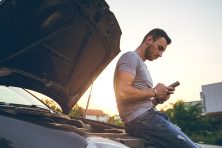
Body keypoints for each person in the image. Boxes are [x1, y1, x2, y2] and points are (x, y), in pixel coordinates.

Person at [113, 28, 199, 148]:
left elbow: (140, 103)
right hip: (142, 120)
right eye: (160, 48)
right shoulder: (130, 57)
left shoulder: (143, 65)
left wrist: (157, 99)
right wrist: (154, 91)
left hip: (146, 118)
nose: (160, 54)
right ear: (149, 40)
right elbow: (122, 92)